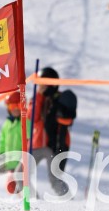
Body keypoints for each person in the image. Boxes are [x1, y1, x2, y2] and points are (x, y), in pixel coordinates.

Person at [30, 67, 77, 196]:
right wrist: (39, 96)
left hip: (56, 145)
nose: (40, 86)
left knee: (55, 179)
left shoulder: (62, 98)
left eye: (43, 83)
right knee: (21, 176)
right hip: (38, 143)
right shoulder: (38, 99)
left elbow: (68, 120)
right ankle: (35, 203)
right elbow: (32, 117)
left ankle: (68, 202)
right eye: (39, 83)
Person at [0, 91, 28, 194]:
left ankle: (32, 200)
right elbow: (2, 142)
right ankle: (17, 205)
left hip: (20, 163)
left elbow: (29, 140)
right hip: (9, 163)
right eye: (12, 106)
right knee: (11, 187)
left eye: (17, 105)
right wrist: (1, 158)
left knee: (22, 186)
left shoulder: (26, 122)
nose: (15, 109)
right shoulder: (7, 124)